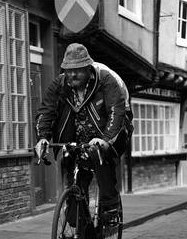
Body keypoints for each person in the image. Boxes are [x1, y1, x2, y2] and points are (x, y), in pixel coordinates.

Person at [35, 43, 130, 227]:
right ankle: (80, 232)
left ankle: (110, 206)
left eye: (78, 70)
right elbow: (46, 112)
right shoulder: (60, 84)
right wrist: (43, 138)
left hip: (105, 132)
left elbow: (116, 112)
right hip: (76, 135)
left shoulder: (105, 80)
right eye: (68, 70)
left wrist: (105, 139)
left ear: (88, 67)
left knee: (98, 154)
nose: (72, 75)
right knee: (71, 169)